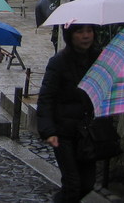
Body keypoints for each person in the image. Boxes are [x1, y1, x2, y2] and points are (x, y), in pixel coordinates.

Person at [37, 24, 100, 202]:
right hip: (63, 132)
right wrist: (48, 131)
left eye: (89, 31)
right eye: (80, 32)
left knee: (87, 184)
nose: (86, 36)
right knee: (72, 184)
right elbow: (46, 97)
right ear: (70, 35)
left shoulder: (97, 59)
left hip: (87, 132)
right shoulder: (59, 62)